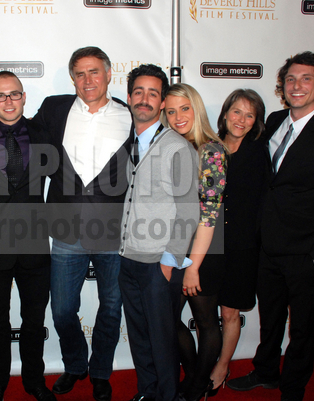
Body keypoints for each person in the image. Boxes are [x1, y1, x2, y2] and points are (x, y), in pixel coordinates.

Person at [0, 46, 132, 401]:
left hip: (54, 237)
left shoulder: (129, 115)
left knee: (42, 318)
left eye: (94, 72)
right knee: (4, 318)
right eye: (0, 96)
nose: (8, 101)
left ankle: (42, 381)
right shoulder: (46, 113)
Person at [227, 51, 314, 401]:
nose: (297, 85)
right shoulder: (272, 120)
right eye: (290, 79)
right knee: (269, 319)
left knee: (301, 326)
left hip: (305, 250)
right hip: (266, 244)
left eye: (306, 79)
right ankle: (266, 371)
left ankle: (293, 387)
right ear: (281, 86)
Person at [0, 71, 56, 401]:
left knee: (34, 319)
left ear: (24, 97)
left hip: (35, 241)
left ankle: (34, 381)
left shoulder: (43, 132)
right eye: (0, 96)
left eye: (14, 94)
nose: (8, 101)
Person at [118, 65, 199, 401]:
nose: (145, 99)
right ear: (129, 98)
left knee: (162, 340)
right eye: (139, 92)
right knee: (139, 337)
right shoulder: (130, 142)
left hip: (158, 265)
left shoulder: (178, 147)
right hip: (128, 258)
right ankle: (147, 392)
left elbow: (189, 210)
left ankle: (167, 395)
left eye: (153, 93)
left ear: (162, 101)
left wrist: (169, 261)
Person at [163, 83, 227, 401]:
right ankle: (193, 376)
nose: (178, 117)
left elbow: (209, 216)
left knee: (206, 321)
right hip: (173, 247)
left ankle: (198, 385)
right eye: (171, 111)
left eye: (184, 108)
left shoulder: (211, 151)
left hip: (203, 250)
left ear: (196, 109)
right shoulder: (168, 147)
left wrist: (193, 266)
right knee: (168, 318)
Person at [208, 89, 268, 396]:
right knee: (205, 312)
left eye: (249, 114)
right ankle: (203, 361)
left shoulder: (259, 151)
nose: (241, 120)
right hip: (209, 243)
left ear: (256, 120)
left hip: (243, 246)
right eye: (237, 112)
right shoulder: (209, 145)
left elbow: (284, 186)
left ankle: (222, 365)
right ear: (225, 112)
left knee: (229, 312)